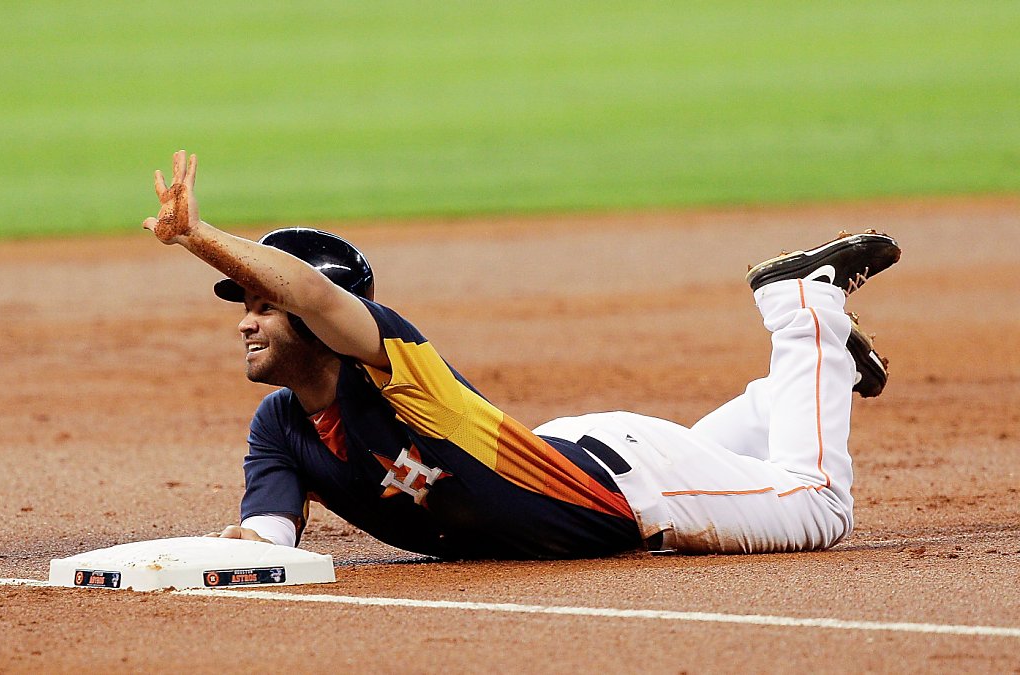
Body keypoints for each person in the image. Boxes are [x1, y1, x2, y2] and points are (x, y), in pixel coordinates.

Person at [143, 151, 900, 558]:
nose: (247, 322)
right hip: (582, 452)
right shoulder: (280, 427)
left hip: (634, 487)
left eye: (261, 305)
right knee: (756, 454)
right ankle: (805, 378)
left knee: (817, 504)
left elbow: (313, 295)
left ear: (318, 317)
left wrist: (202, 241)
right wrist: (232, 549)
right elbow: (270, 539)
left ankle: (804, 307)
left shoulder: (401, 373)